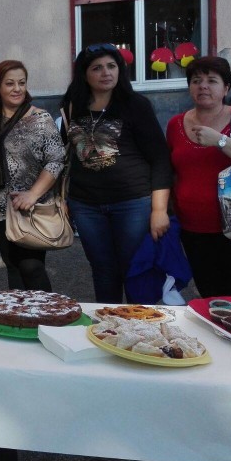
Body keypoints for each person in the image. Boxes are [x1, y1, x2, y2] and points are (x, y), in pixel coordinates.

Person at [61, 43, 172, 303]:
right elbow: (67, 157)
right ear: (84, 74)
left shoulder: (136, 105)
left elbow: (160, 158)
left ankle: (139, 328)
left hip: (133, 202)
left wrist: (159, 210)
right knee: (102, 271)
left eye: (111, 66)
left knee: (135, 270)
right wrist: (65, 199)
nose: (106, 73)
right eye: (97, 68)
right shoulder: (71, 106)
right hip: (86, 205)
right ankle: (109, 326)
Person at [0, 60, 65, 292]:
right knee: (13, 267)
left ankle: (48, 317)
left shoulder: (41, 119)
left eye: (21, 83)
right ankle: (20, 320)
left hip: (32, 207)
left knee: (32, 267)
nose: (17, 88)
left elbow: (57, 159)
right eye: (10, 83)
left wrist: (32, 195)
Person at [166, 55, 231, 297]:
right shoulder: (175, 124)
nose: (203, 86)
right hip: (192, 227)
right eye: (196, 80)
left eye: (212, 80)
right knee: (209, 294)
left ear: (226, 88)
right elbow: (169, 171)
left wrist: (220, 140)